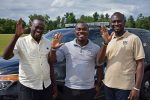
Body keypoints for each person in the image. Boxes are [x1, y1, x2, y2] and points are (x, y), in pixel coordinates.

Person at [2, 18, 56, 100]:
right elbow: (6, 56)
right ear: (31, 26)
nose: (39, 30)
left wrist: (54, 85)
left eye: (41, 28)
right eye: (36, 27)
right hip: (27, 88)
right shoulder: (21, 41)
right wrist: (16, 36)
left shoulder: (47, 42)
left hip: (46, 86)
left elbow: (50, 64)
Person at [97, 12, 145, 100]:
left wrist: (137, 88)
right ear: (111, 23)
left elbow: (140, 64)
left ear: (124, 22)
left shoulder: (134, 39)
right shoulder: (109, 39)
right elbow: (99, 61)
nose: (116, 24)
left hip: (125, 88)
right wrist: (105, 43)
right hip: (108, 86)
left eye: (119, 21)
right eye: (114, 21)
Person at [49, 22, 103, 100]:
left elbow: (99, 67)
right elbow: (53, 61)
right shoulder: (66, 46)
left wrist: (98, 85)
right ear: (75, 32)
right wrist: (53, 49)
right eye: (78, 29)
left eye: (84, 29)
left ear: (88, 31)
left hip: (89, 89)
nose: (81, 31)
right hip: (70, 88)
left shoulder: (96, 48)